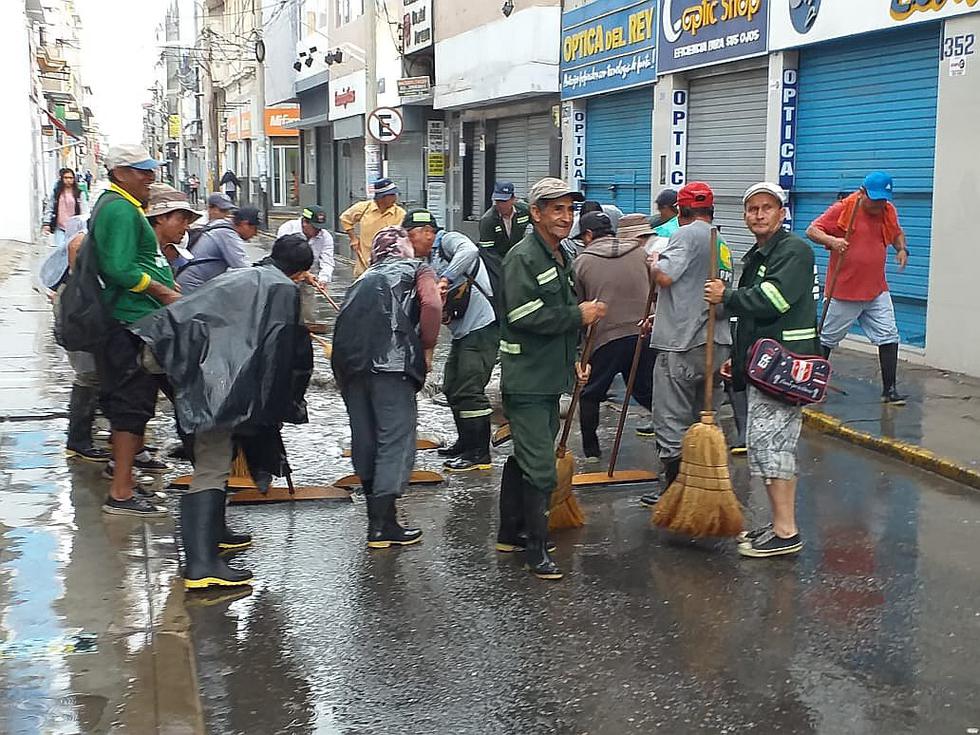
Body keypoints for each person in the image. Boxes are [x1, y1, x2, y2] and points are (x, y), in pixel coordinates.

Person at [132, 234, 316, 589]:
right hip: (206, 374)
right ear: (300, 272)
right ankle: (201, 567)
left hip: (178, 356)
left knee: (214, 453)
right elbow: (280, 353)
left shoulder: (243, 275)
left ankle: (215, 535)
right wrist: (280, 406)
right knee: (213, 462)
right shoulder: (282, 290)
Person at [497, 177, 606, 580]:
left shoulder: (559, 254)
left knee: (525, 457)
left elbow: (556, 323)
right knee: (542, 466)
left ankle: (511, 533)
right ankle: (536, 550)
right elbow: (522, 315)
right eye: (556, 209)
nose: (565, 217)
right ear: (536, 213)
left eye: (569, 209)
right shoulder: (524, 257)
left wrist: (575, 361)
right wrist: (578, 315)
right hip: (526, 378)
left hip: (549, 376)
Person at [705, 182, 819, 558]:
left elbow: (773, 300)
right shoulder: (759, 252)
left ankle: (786, 532)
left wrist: (728, 296)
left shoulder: (794, 251)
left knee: (773, 447)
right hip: (765, 365)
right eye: (752, 209)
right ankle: (780, 524)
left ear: (781, 212)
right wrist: (738, 361)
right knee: (767, 447)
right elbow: (752, 321)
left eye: (766, 208)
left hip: (787, 368)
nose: (758, 214)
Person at [331, 226, 442, 549]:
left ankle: (375, 520)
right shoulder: (417, 268)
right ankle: (383, 525)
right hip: (392, 366)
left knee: (364, 436)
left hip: (350, 366)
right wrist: (427, 348)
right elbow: (432, 305)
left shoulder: (360, 280)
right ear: (404, 248)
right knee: (394, 439)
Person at [91, 144, 180, 517]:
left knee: (133, 408)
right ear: (120, 172)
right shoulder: (121, 209)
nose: (150, 177)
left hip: (137, 321)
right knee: (131, 408)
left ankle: (124, 480)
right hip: (131, 323)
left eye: (150, 170)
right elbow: (118, 268)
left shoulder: (122, 207)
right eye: (141, 171)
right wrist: (161, 291)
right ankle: (122, 493)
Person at [641, 182, 733, 507]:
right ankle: (704, 489)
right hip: (716, 343)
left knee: (670, 419)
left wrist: (652, 261)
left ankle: (674, 493)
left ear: (680, 211)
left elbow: (665, 276)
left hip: (682, 344)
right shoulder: (720, 241)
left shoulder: (685, 234)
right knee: (704, 418)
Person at [404, 209, 497, 472]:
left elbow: (470, 253)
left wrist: (445, 279)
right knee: (452, 387)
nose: (409, 245)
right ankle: (465, 443)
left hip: (483, 327)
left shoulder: (448, 240)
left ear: (427, 233)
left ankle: (480, 453)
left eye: (412, 237)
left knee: (469, 389)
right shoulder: (425, 261)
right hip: (462, 331)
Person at [805, 171, 910, 404]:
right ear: (862, 193)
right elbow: (812, 230)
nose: (879, 204)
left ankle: (889, 391)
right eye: (875, 199)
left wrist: (902, 249)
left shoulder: (887, 210)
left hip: (876, 289)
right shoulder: (844, 209)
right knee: (827, 339)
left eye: (883, 199)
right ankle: (813, 387)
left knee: (889, 335)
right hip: (844, 291)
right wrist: (833, 241)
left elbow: (896, 233)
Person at [573, 211, 654, 462]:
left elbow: (579, 307)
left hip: (605, 336)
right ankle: (673, 441)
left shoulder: (581, 262)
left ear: (588, 235)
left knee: (590, 393)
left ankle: (591, 451)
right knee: (647, 391)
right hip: (643, 332)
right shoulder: (641, 254)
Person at [177, 206, 258, 292]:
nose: (255, 234)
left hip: (190, 282)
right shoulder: (227, 233)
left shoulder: (219, 224)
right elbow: (243, 268)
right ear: (244, 224)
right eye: (255, 229)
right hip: (192, 286)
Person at [340, 178, 406, 276]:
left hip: (389, 268)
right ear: (381, 197)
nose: (395, 197)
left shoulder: (400, 214)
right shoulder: (364, 208)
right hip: (364, 266)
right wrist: (353, 238)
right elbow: (345, 219)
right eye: (391, 195)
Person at [145, 184, 202, 276]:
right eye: (181, 219)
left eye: (188, 221)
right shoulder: (140, 254)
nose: (186, 227)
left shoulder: (159, 255)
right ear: (160, 218)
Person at [276, 205, 335, 286]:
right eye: (315, 227)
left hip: (308, 279)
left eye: (320, 228)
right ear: (304, 222)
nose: (318, 231)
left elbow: (327, 262)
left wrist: (323, 280)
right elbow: (282, 258)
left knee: (307, 297)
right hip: (284, 277)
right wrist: (304, 274)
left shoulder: (326, 237)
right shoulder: (288, 229)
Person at [43, 168, 84, 249]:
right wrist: (46, 223)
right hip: (60, 227)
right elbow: (50, 208)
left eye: (71, 178)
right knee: (60, 249)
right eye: (66, 178)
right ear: (62, 178)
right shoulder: (57, 193)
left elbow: (84, 210)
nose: (68, 180)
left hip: (74, 228)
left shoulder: (79, 193)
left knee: (72, 251)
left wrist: (83, 228)